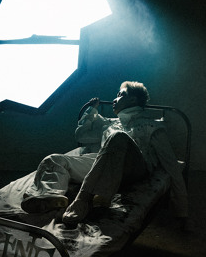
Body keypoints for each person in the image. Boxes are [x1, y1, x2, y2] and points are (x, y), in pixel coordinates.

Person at [21, 81, 188, 227]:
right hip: (104, 165)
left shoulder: (150, 125)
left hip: (134, 169)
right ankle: (49, 196)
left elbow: (171, 164)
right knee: (54, 159)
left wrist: (181, 210)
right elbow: (81, 136)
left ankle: (84, 199)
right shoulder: (110, 124)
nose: (115, 99)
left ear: (133, 100)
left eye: (120, 95)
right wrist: (91, 111)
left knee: (118, 137)